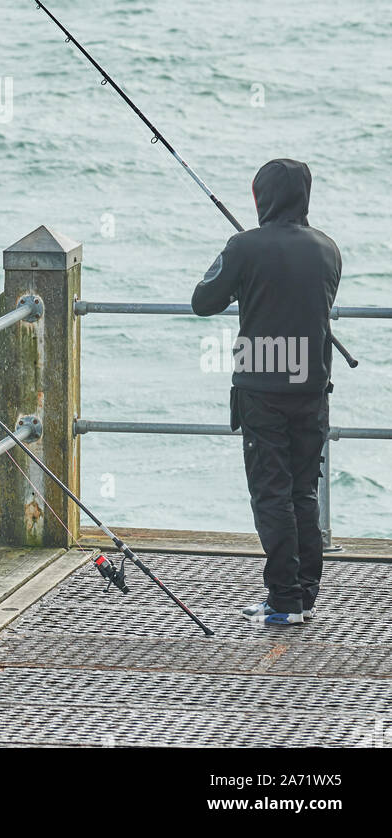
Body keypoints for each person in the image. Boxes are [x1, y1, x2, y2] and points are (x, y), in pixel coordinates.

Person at [191, 159, 342, 625]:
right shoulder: (327, 248)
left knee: (270, 494)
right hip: (312, 385)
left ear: (261, 198)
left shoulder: (244, 246)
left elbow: (203, 302)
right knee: (302, 491)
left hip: (261, 385)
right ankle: (304, 594)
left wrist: (242, 277)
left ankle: (283, 600)